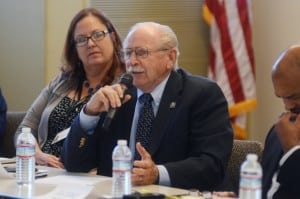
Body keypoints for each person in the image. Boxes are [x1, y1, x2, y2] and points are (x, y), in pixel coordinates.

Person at [62, 22, 233, 191]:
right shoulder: (119, 95)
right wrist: (88, 114)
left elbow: (212, 165)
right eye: (128, 53)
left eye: (141, 53)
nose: (132, 61)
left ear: (170, 58)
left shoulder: (202, 94)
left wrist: (157, 173)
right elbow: (74, 164)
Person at [15, 8, 125, 168]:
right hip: (40, 170)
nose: (91, 43)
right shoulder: (62, 81)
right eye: (81, 39)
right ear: (75, 49)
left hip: (85, 175)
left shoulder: (123, 86)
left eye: (98, 35)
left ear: (113, 37)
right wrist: (36, 154)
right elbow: (24, 129)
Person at [262, 44, 300, 199]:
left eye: (294, 97)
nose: (288, 106)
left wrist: (293, 151)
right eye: (282, 97)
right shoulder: (279, 132)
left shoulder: (286, 136)